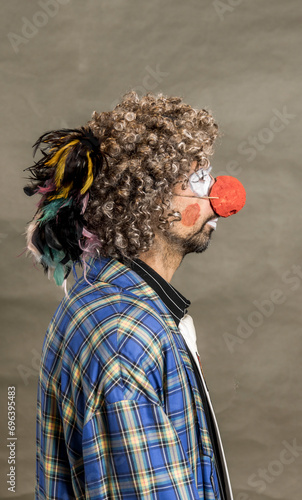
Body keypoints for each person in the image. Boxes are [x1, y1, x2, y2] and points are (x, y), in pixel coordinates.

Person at [24, 90, 242, 499]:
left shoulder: (102, 301)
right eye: (196, 180)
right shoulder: (128, 339)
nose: (220, 194)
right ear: (152, 204)